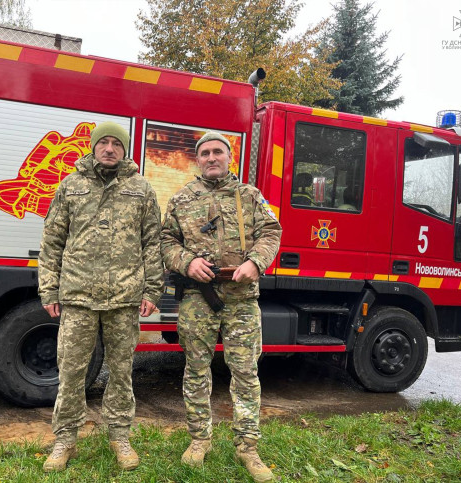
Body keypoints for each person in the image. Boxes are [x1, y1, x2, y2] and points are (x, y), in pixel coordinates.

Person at [38, 121, 164, 472]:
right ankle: (65, 439)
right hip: (78, 296)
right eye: (104, 142)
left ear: (125, 149)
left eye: (116, 144)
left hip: (124, 297)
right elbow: (52, 241)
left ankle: (120, 436)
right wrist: (49, 288)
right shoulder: (71, 185)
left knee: (121, 372)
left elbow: (152, 242)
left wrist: (152, 289)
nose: (110, 149)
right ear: (93, 147)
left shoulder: (141, 188)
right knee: (71, 372)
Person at [160, 131, 282, 482]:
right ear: (197, 159)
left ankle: (248, 446)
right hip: (198, 298)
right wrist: (187, 263)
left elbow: (271, 232)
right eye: (205, 153)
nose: (211, 157)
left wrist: (256, 263)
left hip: (241, 299)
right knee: (196, 370)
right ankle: (199, 439)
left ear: (229, 157)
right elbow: (166, 241)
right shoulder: (182, 199)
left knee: (245, 372)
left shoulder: (249, 195)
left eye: (218, 151)